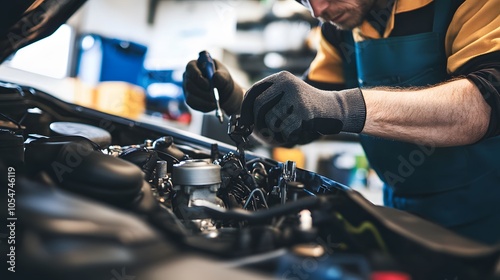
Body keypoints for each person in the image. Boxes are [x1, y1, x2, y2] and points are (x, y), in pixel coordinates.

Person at [182, 0, 500, 245]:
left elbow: (482, 106)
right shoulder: (339, 30)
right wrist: (237, 101)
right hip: (402, 214)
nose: (318, 10)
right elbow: (296, 125)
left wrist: (342, 107)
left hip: (487, 217)